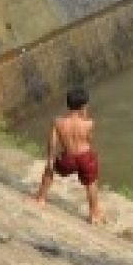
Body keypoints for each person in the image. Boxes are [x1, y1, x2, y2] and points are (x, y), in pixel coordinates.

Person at [32, 87, 104, 224]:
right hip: (85, 157)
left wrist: (50, 159)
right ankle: (94, 214)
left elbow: (52, 143)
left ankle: (41, 198)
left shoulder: (58, 122)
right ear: (84, 106)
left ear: (68, 105)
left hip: (68, 159)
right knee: (91, 183)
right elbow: (89, 140)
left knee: (50, 168)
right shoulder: (89, 123)